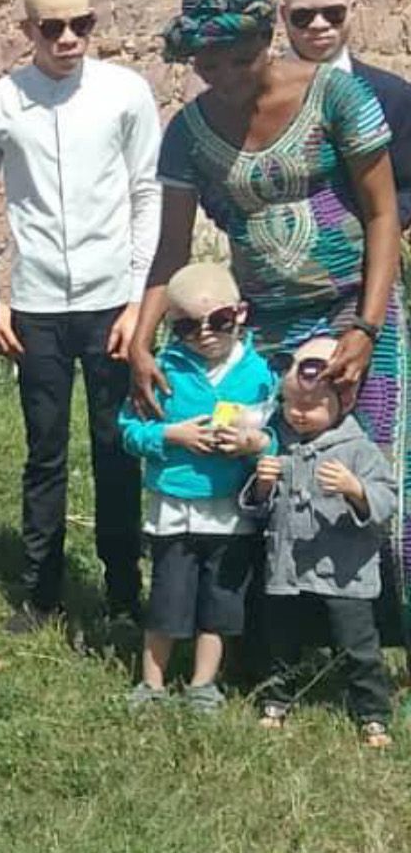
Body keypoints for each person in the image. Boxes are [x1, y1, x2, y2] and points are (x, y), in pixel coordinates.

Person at [132, 0, 410, 639]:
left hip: (352, 307)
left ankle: (378, 637)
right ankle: (273, 634)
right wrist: (142, 337)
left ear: (265, 35)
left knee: (366, 459)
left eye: (236, 55)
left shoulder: (335, 95)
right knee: (268, 464)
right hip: (261, 326)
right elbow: (170, 252)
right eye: (205, 62)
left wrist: (367, 328)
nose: (222, 75)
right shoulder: (188, 133)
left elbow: (381, 214)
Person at [0, 0, 163, 629]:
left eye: (82, 25)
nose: (69, 38)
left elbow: (147, 193)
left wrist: (137, 301)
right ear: (28, 30)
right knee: (45, 449)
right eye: (53, 28)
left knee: (116, 445)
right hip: (38, 303)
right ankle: (41, 590)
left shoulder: (124, 92)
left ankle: (124, 586)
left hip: (110, 301)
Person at [117, 263, 276, 714]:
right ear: (170, 326)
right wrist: (171, 436)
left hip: (231, 511)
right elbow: (128, 429)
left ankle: (204, 683)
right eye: (187, 326)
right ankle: (152, 682)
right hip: (174, 507)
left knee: (220, 605)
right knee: (167, 599)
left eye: (219, 321)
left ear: (240, 313)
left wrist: (254, 443)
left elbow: (275, 436)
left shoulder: (259, 373)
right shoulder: (163, 368)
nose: (205, 334)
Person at [243, 336, 397, 746]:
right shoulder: (280, 445)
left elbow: (386, 498)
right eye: (291, 403)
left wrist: (356, 489)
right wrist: (261, 486)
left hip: (344, 570)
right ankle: (276, 699)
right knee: (282, 638)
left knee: (357, 644)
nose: (298, 413)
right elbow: (257, 509)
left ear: (344, 402)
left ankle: (372, 712)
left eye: (311, 406)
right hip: (287, 566)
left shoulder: (358, 449)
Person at [279, 0, 411, 230]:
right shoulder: (256, 93)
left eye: (333, 13)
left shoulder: (392, 96)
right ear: (284, 15)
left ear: (353, 8)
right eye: (303, 16)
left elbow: (407, 188)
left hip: (365, 261)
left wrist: (360, 232)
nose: (319, 24)